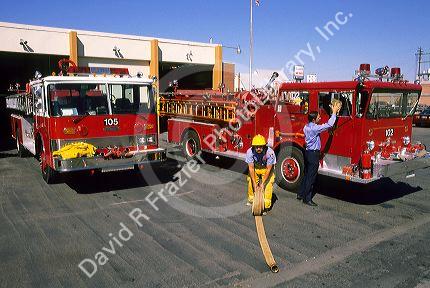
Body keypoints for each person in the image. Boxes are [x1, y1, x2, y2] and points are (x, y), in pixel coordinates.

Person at [298, 99, 342, 206]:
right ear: (314, 119)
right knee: (311, 177)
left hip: (308, 153)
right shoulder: (315, 128)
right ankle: (307, 198)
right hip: (313, 155)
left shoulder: (306, 127)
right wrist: (334, 112)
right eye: (318, 117)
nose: (320, 118)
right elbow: (329, 124)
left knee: (306, 174)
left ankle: (300, 194)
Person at [245, 135, 277, 210]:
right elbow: (251, 168)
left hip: (266, 169)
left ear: (264, 146)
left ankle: (266, 206)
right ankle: (251, 200)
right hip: (256, 168)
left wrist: (262, 183)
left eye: (260, 146)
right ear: (253, 146)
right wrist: (255, 183)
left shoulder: (270, 153)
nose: (258, 148)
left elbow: (269, 169)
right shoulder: (250, 152)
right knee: (250, 181)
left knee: (268, 185)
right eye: (256, 147)